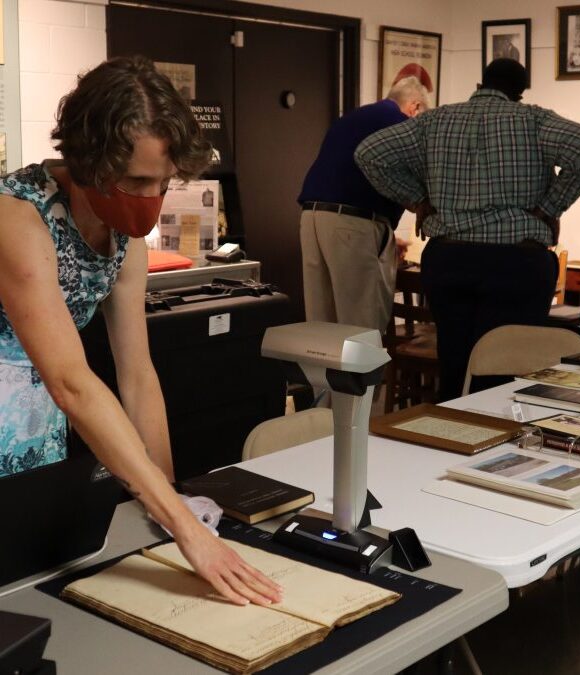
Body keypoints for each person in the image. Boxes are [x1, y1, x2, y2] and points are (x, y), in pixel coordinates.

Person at [0, 56, 281, 606]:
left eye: (163, 181)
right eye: (136, 180)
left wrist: (168, 505)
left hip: (36, 438)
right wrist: (183, 528)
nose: (151, 197)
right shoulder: (16, 220)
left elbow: (136, 373)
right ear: (88, 159)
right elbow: (72, 383)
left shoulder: (122, 236)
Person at [355, 58, 580, 400]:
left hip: (450, 258)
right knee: (508, 367)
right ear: (518, 93)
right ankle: (502, 442)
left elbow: (370, 154)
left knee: (456, 361)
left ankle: (454, 435)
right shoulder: (532, 119)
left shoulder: (435, 120)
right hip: (517, 263)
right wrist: (550, 207)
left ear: (479, 84)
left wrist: (418, 200)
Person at [298, 77, 430, 333]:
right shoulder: (400, 124)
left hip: (312, 217)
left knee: (321, 323)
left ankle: (323, 374)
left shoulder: (353, 118)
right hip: (353, 223)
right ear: (415, 107)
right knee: (360, 323)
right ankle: (361, 376)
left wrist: (381, 233)